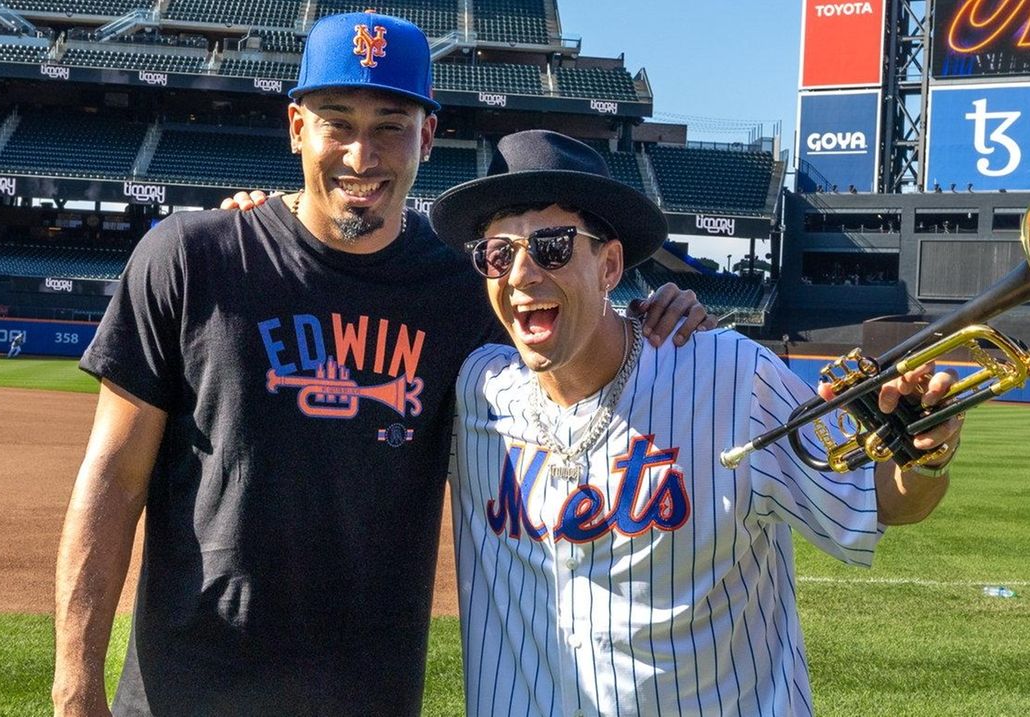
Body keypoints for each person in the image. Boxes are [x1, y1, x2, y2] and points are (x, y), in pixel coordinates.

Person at [53, 12, 707, 717]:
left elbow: (572, 323)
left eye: (390, 126)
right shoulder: (193, 257)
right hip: (183, 696)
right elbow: (113, 479)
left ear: (426, 136)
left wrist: (658, 312)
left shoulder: (469, 290)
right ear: (297, 127)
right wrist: (74, 686)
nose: (362, 155)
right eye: (337, 122)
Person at [429, 130, 965, 716]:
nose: (522, 274)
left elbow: (880, 501)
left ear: (609, 265)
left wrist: (922, 454)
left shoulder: (733, 378)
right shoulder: (476, 390)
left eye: (553, 246)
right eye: (497, 253)